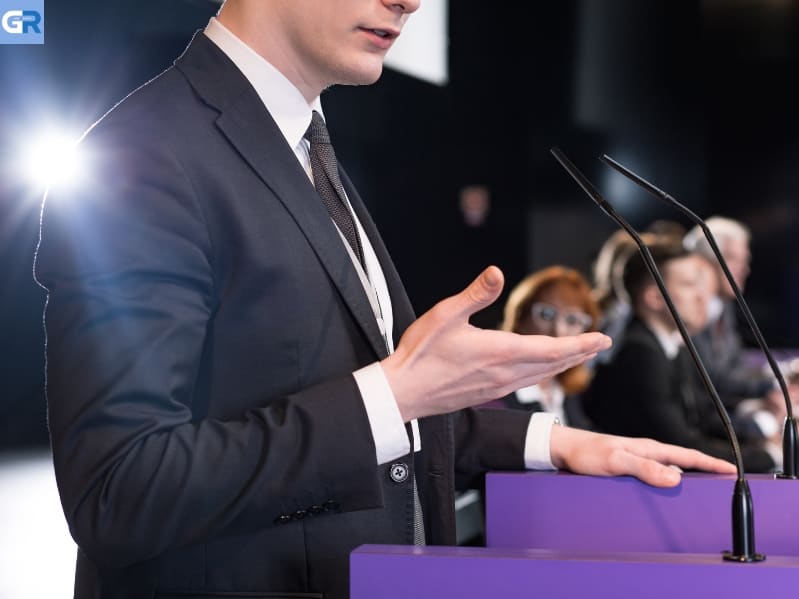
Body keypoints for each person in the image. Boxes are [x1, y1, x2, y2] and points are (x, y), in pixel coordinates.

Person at [33, 2, 735, 597]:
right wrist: (391, 394)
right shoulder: (146, 154)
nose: (410, 1)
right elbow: (119, 491)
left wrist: (555, 441)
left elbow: (357, 405)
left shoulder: (303, 146)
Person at [584, 239, 778, 473]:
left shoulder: (672, 346)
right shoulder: (639, 355)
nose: (703, 296)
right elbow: (681, 446)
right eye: (689, 285)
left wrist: (761, 438)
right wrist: (768, 456)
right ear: (655, 297)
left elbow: (704, 417)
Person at [684, 216, 791, 441]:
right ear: (703, 261)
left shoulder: (724, 306)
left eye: (745, 260)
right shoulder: (689, 311)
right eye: (734, 259)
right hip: (706, 429)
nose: (745, 269)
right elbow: (712, 380)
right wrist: (773, 386)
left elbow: (733, 366)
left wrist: (774, 387)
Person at [500, 266, 599, 429]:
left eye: (572, 320)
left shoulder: (567, 391)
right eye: (546, 314)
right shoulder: (497, 392)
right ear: (520, 318)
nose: (558, 330)